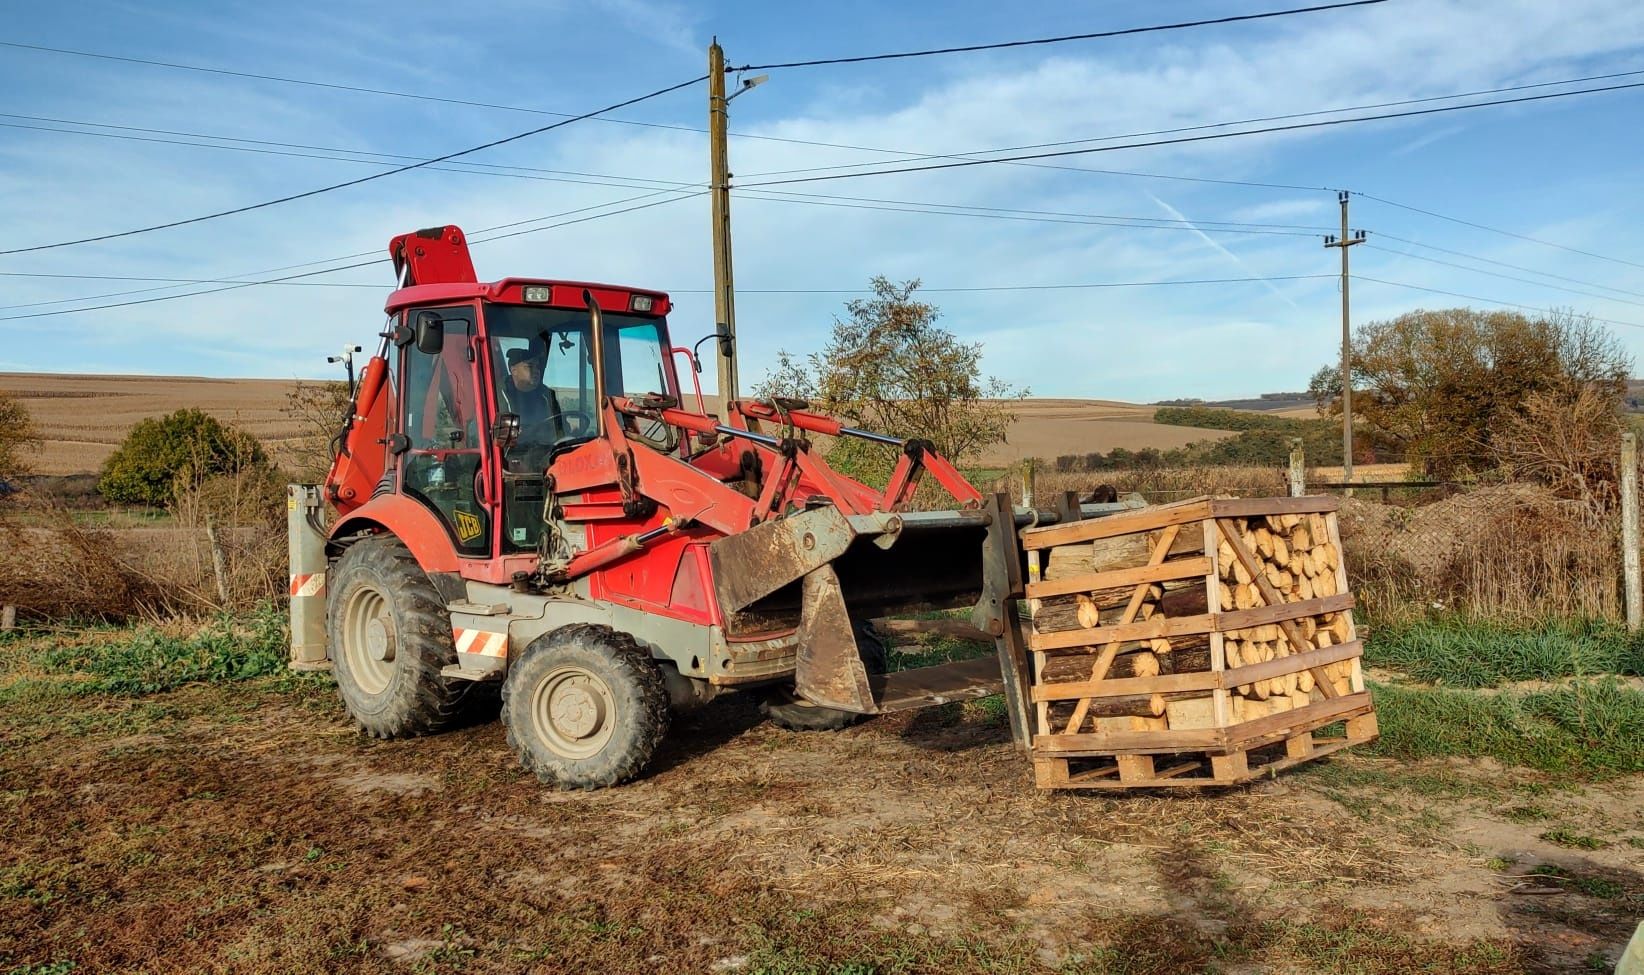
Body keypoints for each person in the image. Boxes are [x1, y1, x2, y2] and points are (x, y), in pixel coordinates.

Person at [500, 344, 559, 438]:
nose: (536, 371)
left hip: (550, 449)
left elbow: (561, 428)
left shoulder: (547, 395)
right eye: (530, 366)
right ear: (514, 370)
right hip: (517, 452)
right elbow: (504, 440)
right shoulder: (500, 395)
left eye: (537, 367)